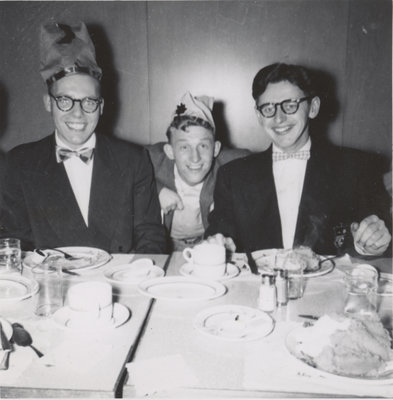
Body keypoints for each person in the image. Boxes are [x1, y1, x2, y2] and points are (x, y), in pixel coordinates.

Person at [0, 22, 166, 253]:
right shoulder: (20, 163)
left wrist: (137, 272)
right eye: (65, 100)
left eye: (89, 102)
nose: (77, 113)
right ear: (49, 103)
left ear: (101, 107)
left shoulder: (133, 160)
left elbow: (150, 234)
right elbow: (13, 241)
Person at [205, 63, 391, 256]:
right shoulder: (233, 176)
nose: (279, 118)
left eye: (290, 105)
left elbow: (378, 238)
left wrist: (372, 243)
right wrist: (218, 245)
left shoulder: (356, 168)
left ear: (313, 107)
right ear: (259, 116)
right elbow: (218, 236)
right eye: (268, 108)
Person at [147, 92, 250, 251]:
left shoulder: (232, 165)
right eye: (184, 147)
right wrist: (156, 191)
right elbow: (120, 169)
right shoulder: (151, 160)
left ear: (215, 149)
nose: (195, 158)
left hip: (207, 246)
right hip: (164, 247)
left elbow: (259, 166)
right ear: (169, 151)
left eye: (203, 146)